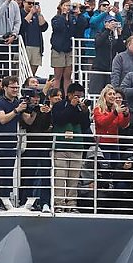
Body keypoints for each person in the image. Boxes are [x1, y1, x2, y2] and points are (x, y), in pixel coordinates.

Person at [0, 76, 26, 211]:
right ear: (4, 88)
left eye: (17, 87)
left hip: (10, 144)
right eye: (12, 87)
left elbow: (28, 120)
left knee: (7, 175)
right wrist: (17, 110)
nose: (15, 90)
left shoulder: (18, 103)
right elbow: (2, 119)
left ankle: (4, 203)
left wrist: (32, 110)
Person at [51, 82, 91, 213]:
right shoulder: (58, 106)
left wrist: (84, 111)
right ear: (69, 95)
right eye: (76, 96)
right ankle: (59, 203)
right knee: (60, 176)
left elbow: (85, 125)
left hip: (77, 146)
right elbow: (60, 120)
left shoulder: (82, 107)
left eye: (81, 96)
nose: (79, 98)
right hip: (61, 146)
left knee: (74, 178)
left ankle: (72, 204)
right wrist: (72, 106)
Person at [18, 84, 53, 209]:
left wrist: (48, 113)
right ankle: (24, 202)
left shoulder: (43, 108)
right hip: (30, 147)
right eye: (34, 97)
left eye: (38, 97)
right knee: (28, 175)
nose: (36, 99)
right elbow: (29, 122)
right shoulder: (23, 108)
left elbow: (47, 126)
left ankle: (45, 203)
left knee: (45, 176)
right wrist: (35, 110)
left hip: (43, 146)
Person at [49, 0, 82, 91]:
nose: (68, 7)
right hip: (58, 50)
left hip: (69, 49)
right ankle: (55, 95)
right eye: (66, 5)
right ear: (61, 6)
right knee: (57, 77)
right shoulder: (56, 18)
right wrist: (63, 15)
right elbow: (59, 27)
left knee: (68, 77)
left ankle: (68, 96)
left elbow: (78, 28)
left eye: (69, 5)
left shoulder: (73, 19)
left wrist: (79, 14)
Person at [90, 16, 125, 95]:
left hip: (111, 69)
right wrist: (107, 30)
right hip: (99, 67)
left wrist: (119, 35)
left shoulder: (115, 36)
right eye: (110, 22)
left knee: (109, 93)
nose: (113, 24)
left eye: (114, 22)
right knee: (95, 92)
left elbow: (121, 49)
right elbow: (98, 43)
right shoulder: (99, 33)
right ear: (105, 23)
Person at [19, 0, 49, 77]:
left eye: (34, 3)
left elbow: (44, 27)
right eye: (29, 3)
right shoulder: (20, 13)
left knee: (32, 73)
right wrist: (31, 13)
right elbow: (22, 26)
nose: (31, 5)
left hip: (37, 46)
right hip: (25, 46)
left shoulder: (36, 15)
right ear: (24, 3)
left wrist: (39, 14)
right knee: (22, 71)